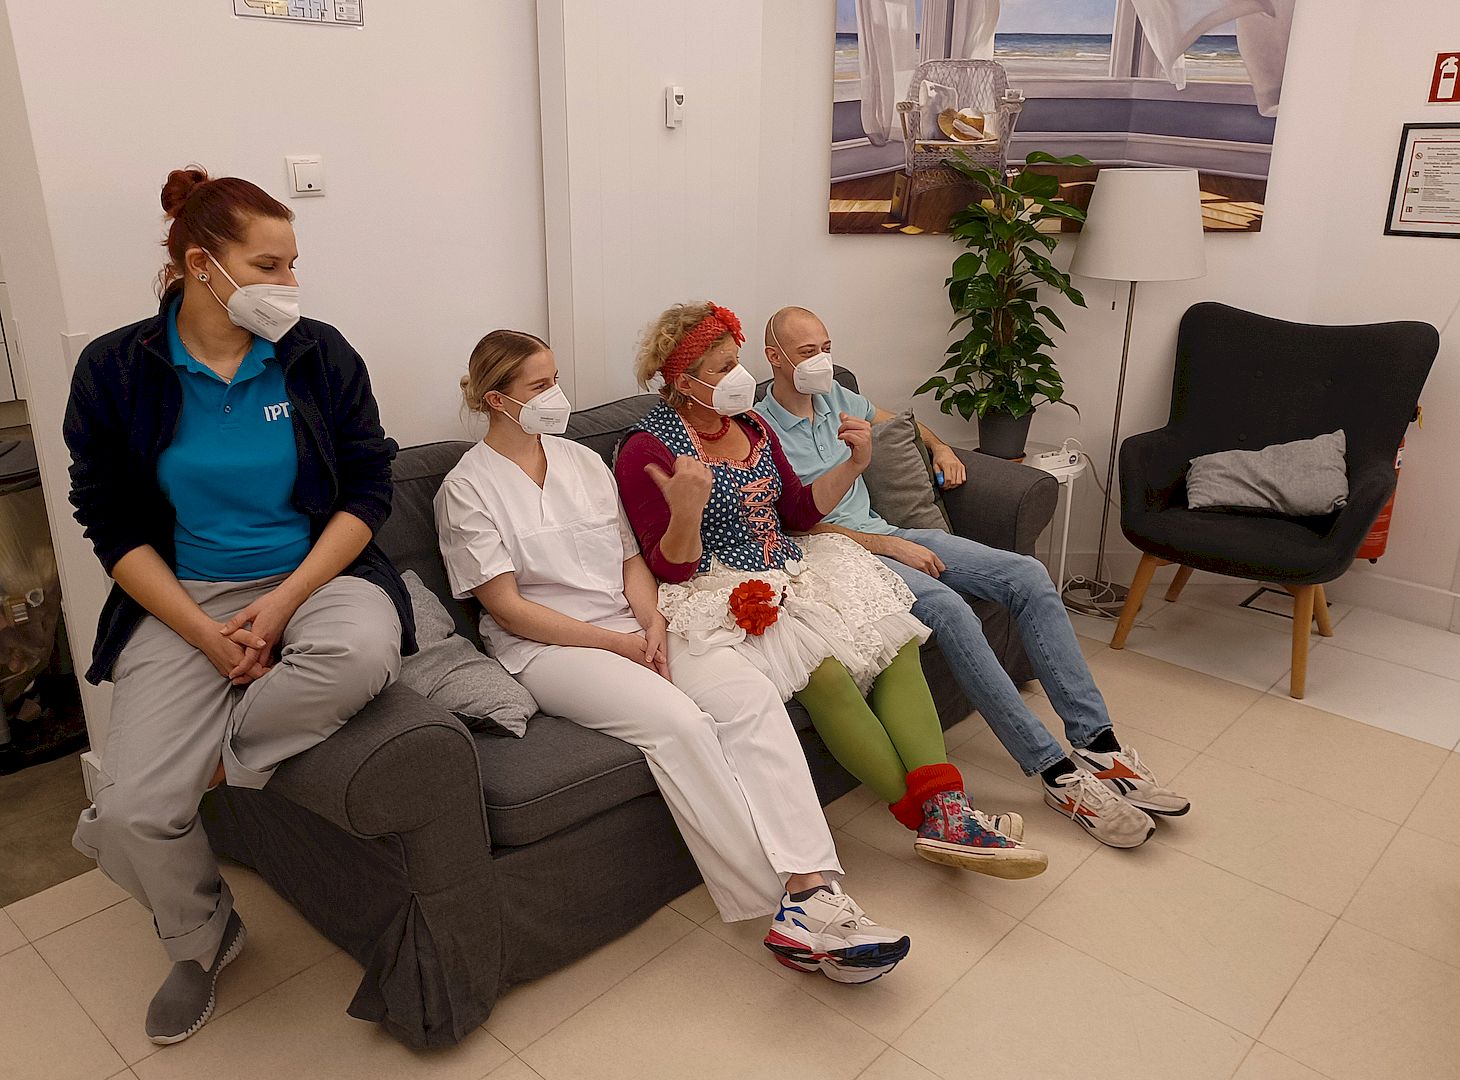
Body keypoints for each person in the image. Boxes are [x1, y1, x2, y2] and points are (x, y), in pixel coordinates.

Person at [435, 329, 910, 985]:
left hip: (634, 622)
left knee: (747, 697)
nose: (556, 396)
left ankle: (815, 886)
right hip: (548, 647)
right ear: (497, 399)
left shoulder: (581, 462)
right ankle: (788, 908)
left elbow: (631, 559)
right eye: (539, 387)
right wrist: (617, 644)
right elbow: (509, 608)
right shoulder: (466, 488)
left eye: (555, 380)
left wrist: (652, 621)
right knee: (682, 724)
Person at [63, 168, 413, 1044]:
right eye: (268, 265)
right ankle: (202, 936)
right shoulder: (115, 369)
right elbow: (108, 523)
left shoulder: (318, 354)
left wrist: (285, 604)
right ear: (200, 265)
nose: (289, 283)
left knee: (361, 653)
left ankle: (214, 766)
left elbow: (368, 489)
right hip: (188, 596)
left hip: (315, 577)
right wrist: (204, 633)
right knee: (133, 812)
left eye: (293, 263)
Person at [615, 301, 1048, 889]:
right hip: (716, 586)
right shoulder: (646, 449)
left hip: (792, 562)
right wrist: (687, 509)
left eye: (737, 362)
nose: (739, 377)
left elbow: (797, 513)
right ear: (683, 381)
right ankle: (938, 818)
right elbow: (668, 566)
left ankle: (946, 810)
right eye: (722, 369)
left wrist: (854, 463)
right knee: (823, 672)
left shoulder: (753, 427)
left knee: (895, 644)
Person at [756, 305, 1191, 849]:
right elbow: (790, 526)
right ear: (774, 358)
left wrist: (940, 448)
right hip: (842, 555)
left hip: (892, 533)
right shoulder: (759, 431)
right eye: (807, 353)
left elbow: (902, 422)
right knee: (949, 609)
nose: (821, 361)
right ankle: (1056, 774)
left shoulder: (837, 398)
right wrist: (885, 545)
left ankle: (1099, 745)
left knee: (1028, 576)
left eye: (826, 348)